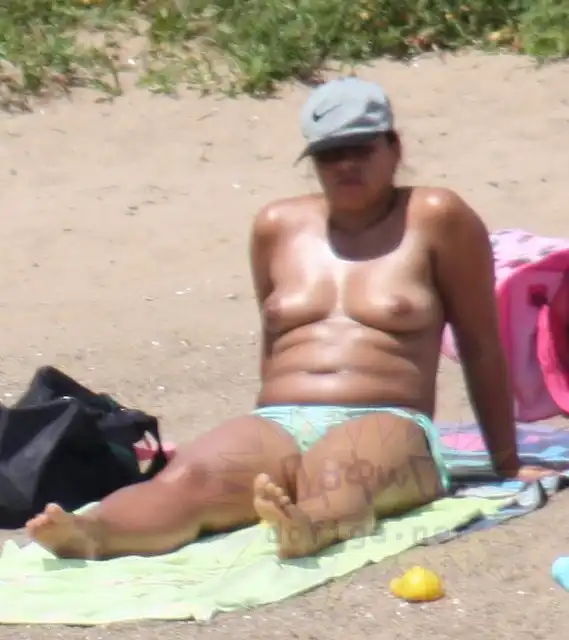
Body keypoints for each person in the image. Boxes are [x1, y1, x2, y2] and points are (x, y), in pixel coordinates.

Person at [26, 76, 554, 561]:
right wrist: (260, 440)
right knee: (190, 478)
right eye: (329, 154)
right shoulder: (277, 225)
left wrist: (505, 460)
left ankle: (312, 524)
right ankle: (94, 532)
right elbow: (275, 340)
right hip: (281, 418)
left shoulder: (436, 217)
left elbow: (481, 344)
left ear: (394, 148)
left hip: (389, 417)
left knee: (340, 474)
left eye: (361, 149)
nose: (345, 165)